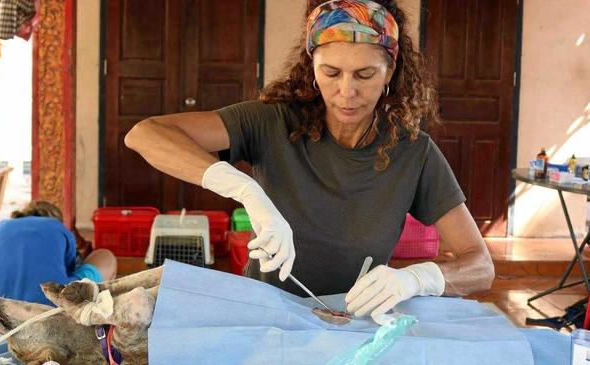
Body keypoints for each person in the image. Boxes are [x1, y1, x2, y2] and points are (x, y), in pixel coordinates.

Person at [124, 0, 494, 323]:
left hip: (354, 322)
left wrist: (415, 279)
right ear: (312, 68)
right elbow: (144, 134)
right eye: (331, 72)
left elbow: (479, 266)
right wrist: (245, 189)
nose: (347, 91)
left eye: (365, 75)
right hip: (266, 313)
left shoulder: (414, 152)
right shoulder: (272, 121)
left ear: (390, 73)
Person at [0, 201, 118, 315]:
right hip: (51, 313)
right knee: (105, 256)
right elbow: (71, 277)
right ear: (54, 217)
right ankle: (98, 320)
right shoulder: (58, 228)